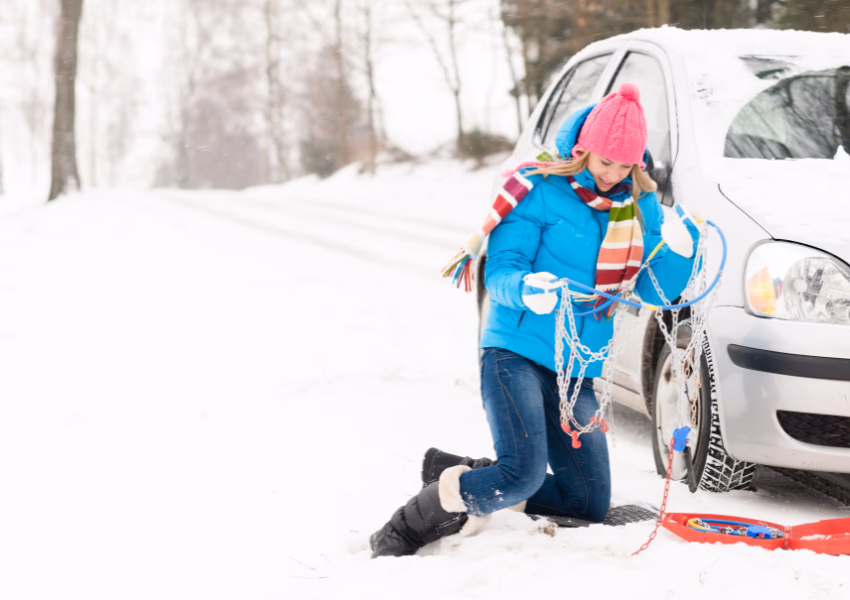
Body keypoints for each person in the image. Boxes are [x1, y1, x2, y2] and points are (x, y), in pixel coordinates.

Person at [370, 83, 701, 558]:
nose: (612, 174)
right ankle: (412, 521)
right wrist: (529, 289)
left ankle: (473, 475)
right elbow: (501, 270)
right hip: (515, 351)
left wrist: (679, 254)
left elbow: (654, 290)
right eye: (604, 161)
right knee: (522, 473)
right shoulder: (538, 189)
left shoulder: (637, 204)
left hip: (576, 369)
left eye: (624, 165)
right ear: (583, 150)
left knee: (587, 502)